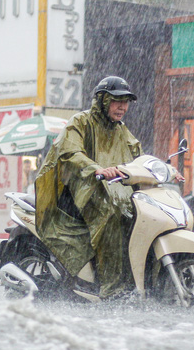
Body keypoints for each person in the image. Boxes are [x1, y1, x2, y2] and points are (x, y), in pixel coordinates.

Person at [34, 76, 144, 298]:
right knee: (111, 215)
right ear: (103, 100)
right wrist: (96, 168)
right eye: (117, 100)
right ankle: (111, 289)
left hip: (111, 190)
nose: (122, 107)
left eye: (126, 102)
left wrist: (163, 168)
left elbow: (139, 154)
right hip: (80, 191)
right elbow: (70, 151)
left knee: (136, 214)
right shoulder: (80, 121)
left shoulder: (120, 129)